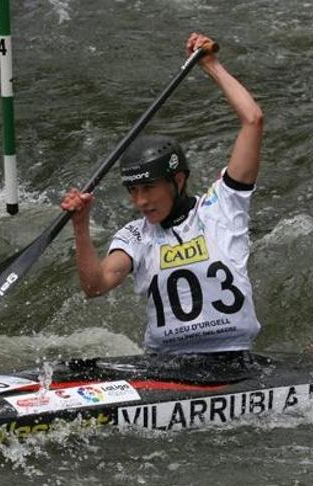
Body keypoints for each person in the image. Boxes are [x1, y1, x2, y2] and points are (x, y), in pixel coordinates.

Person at [60, 32, 263, 354]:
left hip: (233, 355)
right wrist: (80, 226)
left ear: (178, 180)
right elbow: (95, 286)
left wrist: (211, 64)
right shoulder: (136, 236)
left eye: (149, 188)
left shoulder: (222, 206)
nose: (140, 201)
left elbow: (252, 120)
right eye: (133, 190)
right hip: (167, 367)